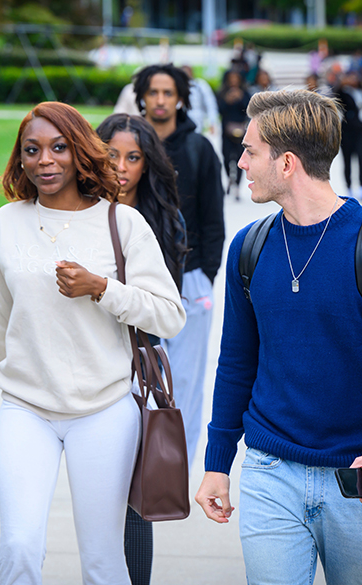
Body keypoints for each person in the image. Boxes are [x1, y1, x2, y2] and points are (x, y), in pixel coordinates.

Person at [195, 89, 362, 584]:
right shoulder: (250, 248)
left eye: (249, 151)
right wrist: (218, 461)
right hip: (268, 470)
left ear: (286, 164)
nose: (239, 162)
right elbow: (236, 362)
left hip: (359, 476)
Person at [0, 101, 186, 585]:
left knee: (102, 559)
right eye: (32, 150)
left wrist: (102, 288)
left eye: (59, 147)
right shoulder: (5, 224)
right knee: (18, 546)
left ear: (80, 152)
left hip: (103, 410)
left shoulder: (122, 223)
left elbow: (169, 314)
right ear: (19, 159)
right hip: (26, 408)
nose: (45, 160)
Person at [97, 112, 187, 585]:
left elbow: (163, 310)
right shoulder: (77, 211)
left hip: (134, 367)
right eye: (112, 155)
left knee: (137, 496)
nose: (122, 167)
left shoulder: (163, 220)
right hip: (83, 366)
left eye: (133, 157)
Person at [132, 63, 226, 467]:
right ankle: (136, 457)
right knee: (135, 376)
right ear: (142, 96)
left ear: (181, 97)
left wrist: (206, 273)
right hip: (137, 283)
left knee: (185, 379)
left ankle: (176, 466)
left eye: (168, 92)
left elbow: (213, 219)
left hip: (190, 281)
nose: (160, 100)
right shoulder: (129, 143)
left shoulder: (199, 149)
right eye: (153, 92)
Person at [334, 70, 362, 200]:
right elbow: (336, 94)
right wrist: (341, 84)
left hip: (360, 130)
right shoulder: (344, 93)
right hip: (347, 129)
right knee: (347, 160)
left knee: (361, 159)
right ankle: (349, 186)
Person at [217, 69, 251, 199]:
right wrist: (227, 100)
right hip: (226, 130)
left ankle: (236, 184)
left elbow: (249, 109)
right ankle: (229, 178)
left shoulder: (244, 92)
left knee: (239, 157)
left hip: (241, 130)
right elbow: (219, 110)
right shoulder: (222, 93)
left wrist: (240, 98)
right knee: (226, 157)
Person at [181, 64, 220, 140]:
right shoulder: (176, 86)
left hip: (197, 120)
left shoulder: (200, 85)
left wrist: (212, 122)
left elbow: (210, 104)